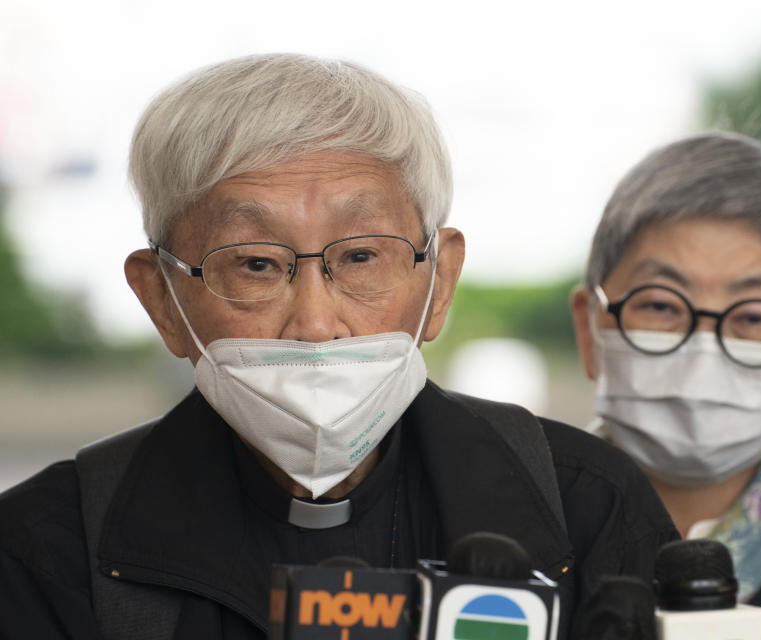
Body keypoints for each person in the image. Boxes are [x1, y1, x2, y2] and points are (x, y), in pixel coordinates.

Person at [0, 53, 677, 639]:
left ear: (439, 282)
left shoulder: (584, 507)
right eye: (256, 264)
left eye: (359, 257)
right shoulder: (50, 549)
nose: (317, 322)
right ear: (162, 302)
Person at [570, 132, 761, 605]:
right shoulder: (501, 550)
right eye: (660, 305)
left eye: (754, 317)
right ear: (589, 329)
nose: (702, 351)